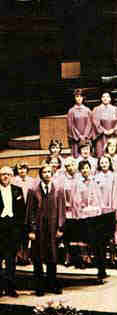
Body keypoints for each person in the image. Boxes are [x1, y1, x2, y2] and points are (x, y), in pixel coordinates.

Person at [26, 164, 66, 296]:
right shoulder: (33, 190)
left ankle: (52, 284)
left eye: (49, 172)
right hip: (39, 228)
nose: (47, 174)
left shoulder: (58, 189)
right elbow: (30, 212)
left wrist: (60, 227)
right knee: (38, 258)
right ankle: (39, 287)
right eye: (45, 172)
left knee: (52, 257)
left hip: (52, 227)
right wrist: (31, 230)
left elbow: (61, 210)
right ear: (41, 174)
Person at [0, 166, 26, 297]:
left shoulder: (18, 190)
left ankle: (10, 288)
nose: (5, 177)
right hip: (0, 228)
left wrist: (21, 231)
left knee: (11, 261)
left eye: (8, 174)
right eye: (3, 174)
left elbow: (22, 212)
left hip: (13, 229)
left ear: (11, 176)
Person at [92, 92, 117, 157]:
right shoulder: (96, 109)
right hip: (101, 136)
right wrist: (103, 130)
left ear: (110, 99)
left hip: (112, 135)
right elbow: (95, 122)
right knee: (101, 153)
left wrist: (114, 129)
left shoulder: (115, 109)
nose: (105, 98)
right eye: (103, 97)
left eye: (107, 97)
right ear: (101, 98)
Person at [67, 89, 94, 157]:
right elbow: (71, 126)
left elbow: (89, 124)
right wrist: (79, 136)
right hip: (76, 139)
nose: (79, 98)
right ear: (74, 98)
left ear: (83, 98)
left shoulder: (88, 110)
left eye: (80, 96)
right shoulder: (71, 111)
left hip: (86, 138)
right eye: (77, 96)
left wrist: (85, 136)